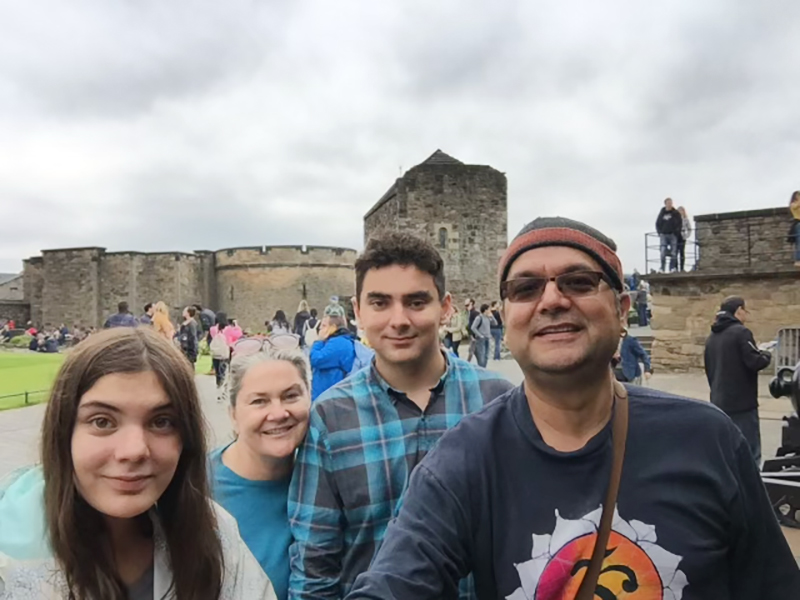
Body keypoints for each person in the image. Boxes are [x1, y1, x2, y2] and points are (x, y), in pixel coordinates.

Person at [346, 216, 800, 600]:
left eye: (578, 282)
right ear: (506, 319)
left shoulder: (706, 440)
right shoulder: (463, 461)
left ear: (622, 310)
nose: (552, 300)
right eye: (525, 288)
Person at [289, 232, 513, 599]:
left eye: (416, 302)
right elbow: (315, 565)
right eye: (380, 303)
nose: (399, 320)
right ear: (358, 312)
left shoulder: (498, 402)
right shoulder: (330, 418)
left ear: (445, 307)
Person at [0, 327, 276, 599]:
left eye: (161, 422)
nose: (134, 451)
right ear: (63, 433)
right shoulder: (10, 562)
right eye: (102, 422)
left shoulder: (216, 539)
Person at [210, 350, 312, 600]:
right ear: (233, 414)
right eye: (259, 401)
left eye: (290, 396)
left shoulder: (325, 479)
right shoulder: (194, 486)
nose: (278, 413)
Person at [704, 296, 772, 465]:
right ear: (739, 310)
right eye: (745, 311)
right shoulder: (741, 332)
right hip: (742, 403)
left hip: (719, 400)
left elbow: (709, 368)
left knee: (728, 448)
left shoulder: (712, 337)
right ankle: (753, 487)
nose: (746, 315)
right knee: (750, 450)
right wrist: (766, 354)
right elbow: (755, 361)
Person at [308, 313, 355, 401]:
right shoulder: (337, 341)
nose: (320, 328)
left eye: (324, 325)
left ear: (333, 327)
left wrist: (318, 341)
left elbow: (316, 359)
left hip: (329, 396)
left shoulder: (339, 343)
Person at [655, 197, 682, 272]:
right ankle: (662, 268)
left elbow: (680, 223)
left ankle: (672, 268)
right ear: (665, 204)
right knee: (663, 251)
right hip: (663, 234)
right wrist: (659, 232)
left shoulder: (676, 213)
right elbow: (657, 223)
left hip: (673, 235)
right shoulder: (662, 213)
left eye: (671, 203)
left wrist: (676, 232)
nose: (670, 204)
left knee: (674, 252)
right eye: (668, 203)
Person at [210, 312, 235, 387]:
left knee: (217, 371)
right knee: (224, 370)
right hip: (225, 353)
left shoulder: (213, 329)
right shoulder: (229, 329)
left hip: (216, 352)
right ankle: (223, 386)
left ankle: (218, 385)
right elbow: (230, 341)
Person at [470, 303, 495, 368]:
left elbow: (495, 323)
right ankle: (481, 370)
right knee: (481, 357)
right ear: (485, 310)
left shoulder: (488, 318)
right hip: (481, 340)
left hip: (487, 338)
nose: (490, 311)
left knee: (486, 356)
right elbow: (473, 327)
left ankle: (484, 369)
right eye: (489, 309)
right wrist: (480, 335)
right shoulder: (479, 318)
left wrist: (492, 316)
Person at [677, 206, 692, 271]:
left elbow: (689, 229)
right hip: (676, 236)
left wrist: (686, 236)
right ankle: (675, 268)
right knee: (675, 252)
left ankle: (682, 268)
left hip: (682, 237)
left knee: (682, 252)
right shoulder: (675, 219)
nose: (680, 212)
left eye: (681, 210)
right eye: (679, 211)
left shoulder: (686, 220)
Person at [787, 191, 800, 267]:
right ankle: (798, 260)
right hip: (798, 223)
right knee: (799, 242)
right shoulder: (793, 204)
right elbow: (797, 205)